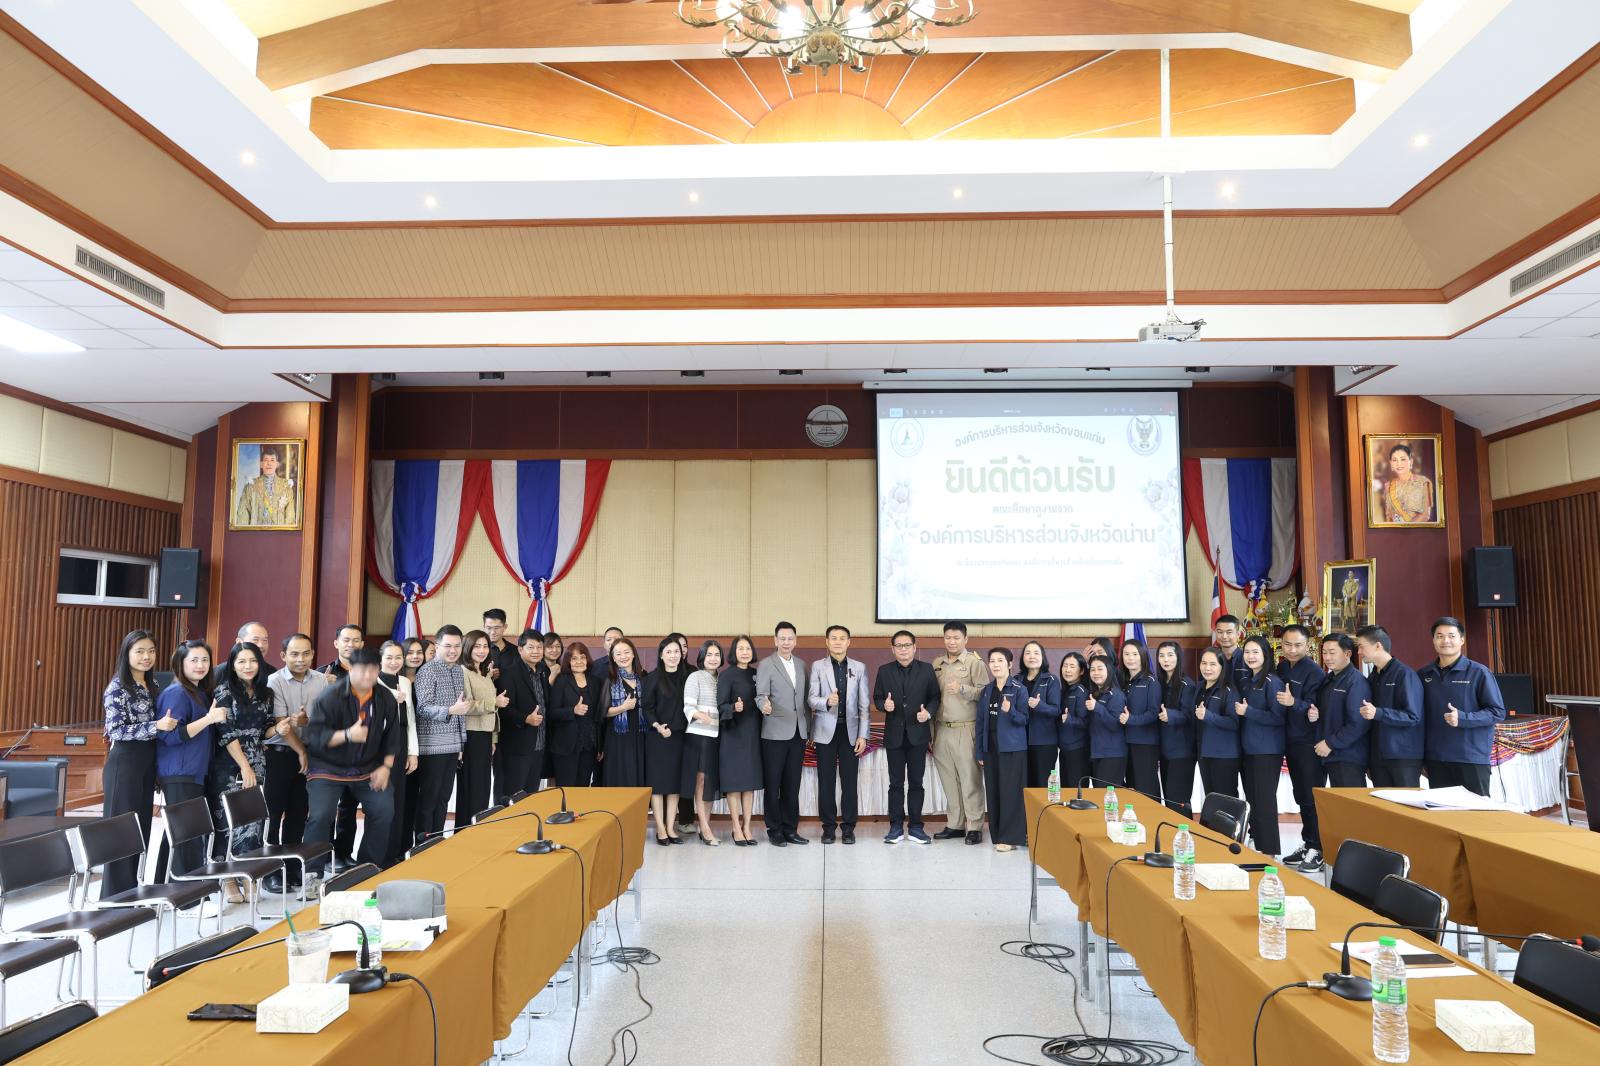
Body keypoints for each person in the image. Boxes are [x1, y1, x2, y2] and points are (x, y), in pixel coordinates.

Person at [302, 647, 403, 869]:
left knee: (384, 810)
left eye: (373, 670)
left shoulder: (384, 696)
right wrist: (347, 735)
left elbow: (392, 734)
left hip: (367, 769)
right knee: (321, 815)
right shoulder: (331, 696)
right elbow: (314, 737)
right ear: (351, 669)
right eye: (362, 670)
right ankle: (312, 872)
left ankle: (368, 867)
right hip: (327, 769)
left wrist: (386, 767)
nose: (367, 675)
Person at [101, 629, 175, 896]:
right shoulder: (117, 688)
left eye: (151, 651)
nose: (146, 657)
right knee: (120, 831)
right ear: (127, 654)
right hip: (124, 762)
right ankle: (114, 896)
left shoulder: (153, 685)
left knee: (140, 830)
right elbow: (116, 730)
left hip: (146, 763)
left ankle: (131, 891)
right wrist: (156, 726)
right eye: (140, 651)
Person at [154, 641, 226, 881]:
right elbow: (170, 735)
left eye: (205, 660)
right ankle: (187, 894)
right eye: (193, 660)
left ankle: (166, 887)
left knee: (179, 833)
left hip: (193, 772)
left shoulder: (198, 692)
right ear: (180, 663)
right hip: (180, 772)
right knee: (187, 835)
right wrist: (209, 719)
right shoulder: (176, 693)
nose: (200, 665)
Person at [211, 642, 274, 902]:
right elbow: (226, 733)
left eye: (253, 661)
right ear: (232, 665)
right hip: (228, 765)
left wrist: (282, 728)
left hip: (257, 762)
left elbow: (266, 728)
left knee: (253, 822)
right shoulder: (223, 691)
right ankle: (228, 880)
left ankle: (249, 877)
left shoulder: (266, 692)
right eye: (241, 661)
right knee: (227, 822)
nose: (248, 666)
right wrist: (244, 766)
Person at [1419, 616, 1505, 796]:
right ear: (1433, 640)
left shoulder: (1479, 672)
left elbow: (1497, 712)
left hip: (1470, 757)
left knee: (1476, 810)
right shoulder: (1423, 674)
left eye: (1451, 636)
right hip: (1436, 758)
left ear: (1462, 640)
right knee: (1443, 810)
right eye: (1439, 636)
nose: (1445, 641)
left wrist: (1464, 718)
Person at [872, 630, 940, 845]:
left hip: (918, 735)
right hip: (894, 736)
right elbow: (877, 697)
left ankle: (916, 827)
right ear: (892, 649)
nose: (903, 649)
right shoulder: (884, 671)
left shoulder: (926, 669)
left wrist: (928, 713)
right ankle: (895, 827)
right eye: (899, 646)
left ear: (914, 647)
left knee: (916, 783)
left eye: (907, 645)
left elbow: (935, 697)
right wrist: (884, 705)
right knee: (895, 783)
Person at [807, 625, 870, 845]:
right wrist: (826, 701)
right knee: (826, 782)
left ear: (849, 642)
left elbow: (864, 705)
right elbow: (811, 699)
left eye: (842, 638)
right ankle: (828, 827)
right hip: (825, 732)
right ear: (827, 642)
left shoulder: (859, 667)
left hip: (850, 732)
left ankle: (849, 828)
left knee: (850, 782)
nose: (838, 642)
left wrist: (863, 735)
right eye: (833, 638)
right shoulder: (818, 666)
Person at [1275, 625, 1328, 871]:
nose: (1292, 650)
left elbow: (1316, 709)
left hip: (1309, 742)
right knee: (1301, 795)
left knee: (1311, 796)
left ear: (1308, 646)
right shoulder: (1282, 667)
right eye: (1287, 644)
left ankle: (1319, 848)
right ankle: (1308, 843)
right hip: (1289, 740)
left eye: (1298, 645)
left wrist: (1293, 702)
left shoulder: (1315, 672)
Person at [264, 633, 320, 860]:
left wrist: (308, 722)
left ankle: (293, 867)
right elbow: (282, 725)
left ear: (313, 654)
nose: (300, 659)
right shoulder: (274, 681)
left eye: (306, 654)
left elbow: (326, 719)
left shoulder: (321, 680)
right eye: (294, 654)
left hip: (310, 755)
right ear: (283, 655)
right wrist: (301, 751)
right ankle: (271, 869)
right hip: (280, 756)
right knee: (273, 814)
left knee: (299, 814)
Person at [931, 622, 988, 845]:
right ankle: (955, 824)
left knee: (970, 780)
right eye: (948, 637)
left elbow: (986, 693)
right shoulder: (937, 664)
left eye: (956, 638)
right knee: (949, 781)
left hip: (966, 728)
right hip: (941, 729)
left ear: (965, 639)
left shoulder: (975, 663)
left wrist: (963, 689)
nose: (952, 642)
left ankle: (974, 826)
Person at [412, 625, 471, 837]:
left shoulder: (458, 670)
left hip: (453, 745)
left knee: (444, 797)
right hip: (432, 746)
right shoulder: (427, 670)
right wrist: (450, 710)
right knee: (429, 798)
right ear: (437, 646)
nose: (453, 650)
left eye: (457, 646)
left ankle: (437, 839)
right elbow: (423, 708)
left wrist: (461, 743)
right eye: (448, 646)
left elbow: (461, 709)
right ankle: (422, 844)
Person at [755, 622, 810, 846]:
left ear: (795, 641)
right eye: (782, 638)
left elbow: (805, 700)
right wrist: (764, 705)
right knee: (773, 784)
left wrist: (809, 730)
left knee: (792, 784)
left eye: (790, 638)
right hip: (774, 733)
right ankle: (774, 829)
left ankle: (790, 829)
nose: (786, 642)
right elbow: (760, 695)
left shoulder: (801, 664)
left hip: (798, 733)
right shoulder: (766, 664)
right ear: (775, 640)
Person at [1235, 636, 1286, 857]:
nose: (1250, 656)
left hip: (1267, 750)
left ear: (1266, 654)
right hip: (1249, 750)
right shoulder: (1247, 680)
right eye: (1247, 652)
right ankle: (1259, 846)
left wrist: (1249, 712)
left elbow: (1278, 717)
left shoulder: (1272, 682)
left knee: (1265, 802)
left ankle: (1270, 851)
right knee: (1253, 800)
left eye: (1255, 652)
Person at [1357, 625, 1425, 789]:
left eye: (1361, 646)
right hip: (1378, 757)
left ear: (1378, 645)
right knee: (1382, 804)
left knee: (1406, 804)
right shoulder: (1373, 676)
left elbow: (1412, 716)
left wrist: (1378, 713)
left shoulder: (1404, 674)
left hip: (1403, 757)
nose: (1359, 652)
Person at [976, 647, 1029, 852]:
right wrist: (980, 751)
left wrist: (1011, 711)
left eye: (1000, 660)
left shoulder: (1019, 689)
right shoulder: (987, 690)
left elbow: (1024, 719)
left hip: (1012, 749)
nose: (996, 665)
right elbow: (980, 723)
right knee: (994, 791)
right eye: (992, 661)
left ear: (1009, 664)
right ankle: (998, 834)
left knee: (1011, 793)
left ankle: (1011, 837)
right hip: (990, 748)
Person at [321, 622, 364, 866]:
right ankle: (326, 855)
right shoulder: (322, 674)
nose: (351, 645)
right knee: (327, 806)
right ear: (336, 643)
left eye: (356, 640)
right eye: (346, 640)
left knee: (350, 805)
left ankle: (344, 853)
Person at [376, 641, 420, 864]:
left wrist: (413, 752)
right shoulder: (371, 682)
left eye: (398, 658)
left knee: (398, 800)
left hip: (401, 743)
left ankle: (394, 854)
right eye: (389, 658)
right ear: (380, 659)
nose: (394, 662)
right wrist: (391, 699)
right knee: (382, 803)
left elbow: (410, 719)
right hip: (379, 746)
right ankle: (378, 857)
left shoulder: (404, 681)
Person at [717, 636, 762, 846]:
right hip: (733, 734)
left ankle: (747, 827)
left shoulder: (757, 674)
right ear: (734, 652)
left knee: (749, 783)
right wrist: (733, 708)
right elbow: (720, 706)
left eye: (748, 649)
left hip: (753, 733)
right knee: (734, 784)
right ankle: (736, 827)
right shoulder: (727, 675)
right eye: (740, 649)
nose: (745, 652)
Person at [643, 636, 689, 844]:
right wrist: (657, 726)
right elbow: (647, 708)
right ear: (661, 655)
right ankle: (660, 828)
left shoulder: (687, 677)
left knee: (674, 784)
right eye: (668, 652)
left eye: (676, 651)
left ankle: (671, 827)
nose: (673, 656)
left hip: (679, 737)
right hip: (657, 738)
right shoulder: (652, 678)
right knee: (658, 784)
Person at [1312, 632, 1372, 789]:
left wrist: (1330, 743)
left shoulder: (1356, 682)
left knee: (1350, 803)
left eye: (1332, 653)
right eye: (1324, 652)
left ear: (1347, 654)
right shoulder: (1329, 679)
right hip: (1331, 754)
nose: (1327, 657)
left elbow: (1358, 724)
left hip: (1348, 757)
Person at [457, 629, 504, 822]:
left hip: (485, 735)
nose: (482, 650)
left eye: (485, 646)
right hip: (471, 734)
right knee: (472, 787)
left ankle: (478, 827)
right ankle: (465, 828)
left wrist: (493, 738)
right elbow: (465, 706)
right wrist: (494, 703)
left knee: (483, 786)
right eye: (477, 646)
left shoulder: (484, 673)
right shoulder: (463, 671)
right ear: (467, 648)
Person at [498, 630, 547, 805]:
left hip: (539, 744)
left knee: (531, 796)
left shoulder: (542, 672)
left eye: (539, 647)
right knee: (513, 796)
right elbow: (504, 710)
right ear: (520, 649)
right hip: (518, 746)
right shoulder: (509, 673)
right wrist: (526, 719)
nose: (536, 651)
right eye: (530, 647)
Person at [683, 640, 724, 845]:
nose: (713, 659)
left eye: (717, 655)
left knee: (711, 783)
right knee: (701, 781)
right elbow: (688, 708)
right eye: (709, 655)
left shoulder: (722, 678)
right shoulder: (695, 677)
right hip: (699, 736)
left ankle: (704, 825)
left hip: (718, 737)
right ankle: (706, 828)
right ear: (702, 657)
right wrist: (703, 717)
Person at [549, 641, 606, 788]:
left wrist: (600, 746)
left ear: (587, 659)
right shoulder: (561, 681)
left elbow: (599, 717)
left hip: (589, 744)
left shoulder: (596, 682)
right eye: (574, 658)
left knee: (583, 787)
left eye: (582, 657)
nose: (579, 661)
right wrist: (572, 711)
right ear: (568, 661)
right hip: (566, 745)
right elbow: (552, 712)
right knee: (566, 788)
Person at [1153, 641, 1198, 816]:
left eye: (1170, 655)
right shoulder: (1159, 683)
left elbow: (1190, 715)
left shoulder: (1187, 684)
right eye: (1162, 655)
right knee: (1169, 800)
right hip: (1165, 752)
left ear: (1179, 657)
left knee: (1178, 800)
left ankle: (1185, 832)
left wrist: (1170, 715)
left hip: (1182, 752)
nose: (1166, 659)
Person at [1194, 647, 1242, 800]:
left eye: (1213, 664)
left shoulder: (1229, 690)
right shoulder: (1199, 687)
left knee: (1226, 800)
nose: (1207, 668)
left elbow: (1234, 723)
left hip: (1224, 755)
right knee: (1211, 799)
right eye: (1204, 663)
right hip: (1204, 753)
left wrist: (1209, 716)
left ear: (1222, 666)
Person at [1117, 639, 1162, 801]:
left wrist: (1131, 720)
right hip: (1125, 743)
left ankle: (1155, 816)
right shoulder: (1122, 681)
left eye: (1135, 654)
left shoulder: (1151, 682)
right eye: (1126, 654)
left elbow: (1153, 713)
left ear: (1142, 655)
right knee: (1131, 789)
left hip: (1145, 743)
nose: (1130, 658)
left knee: (1147, 788)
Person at [603, 637, 649, 789]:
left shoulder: (644, 677)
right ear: (613, 658)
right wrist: (623, 707)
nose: (623, 656)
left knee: (640, 776)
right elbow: (603, 712)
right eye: (618, 654)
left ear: (634, 654)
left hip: (641, 735)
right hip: (618, 737)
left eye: (627, 652)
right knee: (621, 777)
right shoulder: (610, 680)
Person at [1018, 641, 1062, 791]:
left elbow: (1056, 710)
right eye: (1028, 653)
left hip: (1044, 743)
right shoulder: (1016, 680)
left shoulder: (1051, 680)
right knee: (1024, 786)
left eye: (1036, 653)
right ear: (1023, 657)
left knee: (1042, 786)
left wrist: (1039, 705)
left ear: (1043, 657)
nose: (1032, 656)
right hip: (1020, 742)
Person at [1085, 655, 1128, 788]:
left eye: (1100, 669)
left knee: (1108, 795)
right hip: (1097, 752)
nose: (1096, 673)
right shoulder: (1095, 693)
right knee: (1100, 794)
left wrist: (1097, 708)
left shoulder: (1116, 695)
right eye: (1092, 669)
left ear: (1109, 670)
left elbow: (1116, 725)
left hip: (1112, 754)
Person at [1056, 652, 1092, 800]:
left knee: (1077, 794)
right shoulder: (1064, 691)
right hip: (1065, 750)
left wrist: (1070, 719)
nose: (1067, 670)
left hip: (1078, 751)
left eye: (1072, 666)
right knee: (1066, 793)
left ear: (1081, 671)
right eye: (1065, 666)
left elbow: (1087, 722)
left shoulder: (1082, 692)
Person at [234, 443, 297, 527]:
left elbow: (290, 518)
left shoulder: (286, 487)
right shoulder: (251, 486)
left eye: (272, 460)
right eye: (266, 460)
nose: (269, 463)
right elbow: (242, 517)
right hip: (255, 532)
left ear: (277, 464)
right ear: (261, 464)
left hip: (278, 533)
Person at [1381, 443, 1435, 524]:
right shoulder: (1388, 486)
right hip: (1394, 531)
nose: (1399, 464)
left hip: (1417, 530)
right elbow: (1388, 516)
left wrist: (1407, 528)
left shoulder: (1422, 482)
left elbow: (1424, 515)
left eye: (1403, 459)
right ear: (1391, 463)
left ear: (1411, 461)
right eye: (1395, 460)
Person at [1213, 615, 1247, 686]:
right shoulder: (1212, 658)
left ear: (1238, 634)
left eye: (1229, 632)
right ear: (1215, 633)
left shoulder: (1247, 658)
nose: (1224, 636)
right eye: (1220, 632)